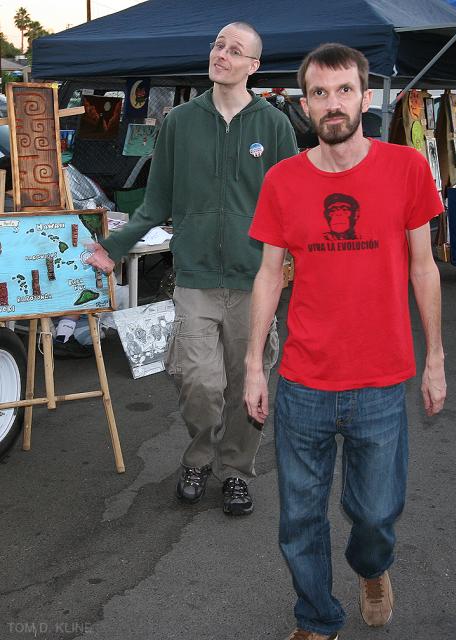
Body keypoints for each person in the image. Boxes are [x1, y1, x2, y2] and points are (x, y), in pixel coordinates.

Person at [244, 43, 446, 640]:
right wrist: (254, 366)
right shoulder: (282, 180)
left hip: (381, 380)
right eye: (319, 93)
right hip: (303, 382)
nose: (333, 104)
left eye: (344, 90)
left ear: (364, 97)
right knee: (299, 519)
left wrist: (435, 359)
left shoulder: (407, 168)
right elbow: (268, 275)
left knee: (376, 514)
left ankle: (372, 568)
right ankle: (316, 618)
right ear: (304, 104)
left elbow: (425, 268)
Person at [86, 22, 297, 516]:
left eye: (235, 50)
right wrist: (114, 247)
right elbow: (156, 200)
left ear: (253, 66)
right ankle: (199, 457)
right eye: (218, 45)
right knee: (198, 382)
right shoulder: (180, 121)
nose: (222, 54)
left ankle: (236, 470)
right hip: (195, 279)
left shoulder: (274, 126)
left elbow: (294, 204)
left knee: (247, 385)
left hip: (254, 282)